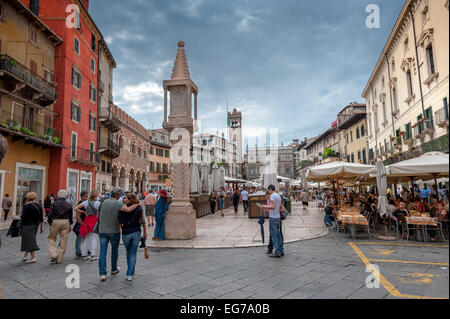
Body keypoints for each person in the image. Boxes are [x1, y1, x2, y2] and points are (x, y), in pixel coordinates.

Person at [97, 187, 139, 282]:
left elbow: (97, 216)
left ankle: (103, 274)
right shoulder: (118, 203)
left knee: (102, 252)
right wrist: (137, 204)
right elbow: (128, 210)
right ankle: (113, 269)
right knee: (114, 250)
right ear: (119, 195)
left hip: (102, 230)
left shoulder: (103, 202)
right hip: (113, 230)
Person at [119, 193, 147, 281]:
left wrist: (122, 229)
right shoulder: (139, 208)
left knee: (128, 252)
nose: (124, 199)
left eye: (126, 198)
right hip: (136, 231)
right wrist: (145, 232)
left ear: (130, 199)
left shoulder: (122, 208)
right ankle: (130, 273)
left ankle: (129, 270)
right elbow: (143, 221)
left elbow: (119, 221)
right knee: (133, 253)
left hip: (126, 232)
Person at [47, 189, 73, 264]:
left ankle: (53, 254)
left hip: (56, 221)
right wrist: (70, 224)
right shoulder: (69, 205)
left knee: (51, 238)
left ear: (58, 195)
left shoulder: (54, 204)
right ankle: (59, 259)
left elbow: (50, 214)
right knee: (63, 240)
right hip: (66, 221)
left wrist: (50, 222)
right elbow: (70, 216)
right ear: (66, 196)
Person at [74, 190, 100, 261]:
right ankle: (93, 255)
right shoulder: (98, 203)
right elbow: (101, 212)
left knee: (85, 238)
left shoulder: (85, 202)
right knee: (94, 238)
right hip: (94, 220)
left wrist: (84, 211)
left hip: (87, 220)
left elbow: (75, 209)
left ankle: (84, 255)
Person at [20, 192, 43, 264]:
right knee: (30, 239)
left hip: (27, 225)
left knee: (29, 240)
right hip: (36, 225)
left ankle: (33, 257)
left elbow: (23, 217)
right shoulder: (39, 205)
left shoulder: (26, 206)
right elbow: (41, 217)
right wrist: (41, 227)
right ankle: (25, 255)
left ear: (27, 198)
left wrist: (21, 216)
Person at [262, 185, 283, 258]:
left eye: (268, 190)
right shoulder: (278, 195)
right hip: (278, 217)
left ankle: (277, 252)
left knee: (274, 235)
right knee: (278, 235)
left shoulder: (272, 196)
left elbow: (273, 206)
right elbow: (279, 207)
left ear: (270, 189)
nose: (268, 192)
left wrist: (264, 206)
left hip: (273, 217)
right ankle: (281, 250)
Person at [73, 191, 88, 259]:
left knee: (83, 237)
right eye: (86, 196)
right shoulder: (80, 204)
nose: (87, 198)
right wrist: (82, 225)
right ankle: (78, 252)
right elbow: (78, 216)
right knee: (79, 238)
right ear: (82, 196)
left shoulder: (83, 203)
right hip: (80, 224)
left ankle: (85, 250)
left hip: (82, 223)